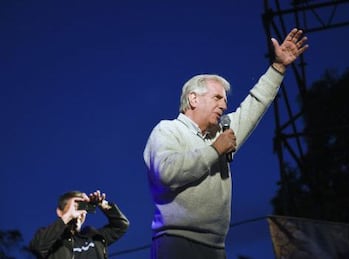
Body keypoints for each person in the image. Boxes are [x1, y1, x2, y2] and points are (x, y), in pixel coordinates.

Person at [143, 28, 309, 259]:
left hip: (216, 247)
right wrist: (214, 150)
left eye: (225, 100)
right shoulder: (167, 130)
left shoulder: (221, 133)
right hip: (176, 243)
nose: (224, 105)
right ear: (193, 98)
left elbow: (254, 105)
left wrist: (278, 68)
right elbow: (166, 173)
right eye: (217, 98)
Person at [29, 190, 129, 259]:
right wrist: (69, 216)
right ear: (60, 212)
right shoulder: (51, 239)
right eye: (76, 206)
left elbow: (121, 225)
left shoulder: (93, 236)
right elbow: (37, 247)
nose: (80, 212)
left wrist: (102, 204)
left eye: (83, 207)